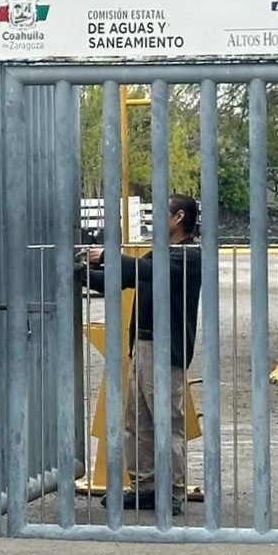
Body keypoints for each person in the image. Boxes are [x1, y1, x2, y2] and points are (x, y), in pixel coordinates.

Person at [85, 194, 203, 513]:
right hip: (143, 344)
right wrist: (82, 273)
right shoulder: (162, 255)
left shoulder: (189, 256)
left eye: (163, 212)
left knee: (167, 422)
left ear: (179, 217)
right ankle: (145, 487)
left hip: (165, 350)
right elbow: (123, 278)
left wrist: (107, 256)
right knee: (137, 422)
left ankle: (173, 492)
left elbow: (143, 269)